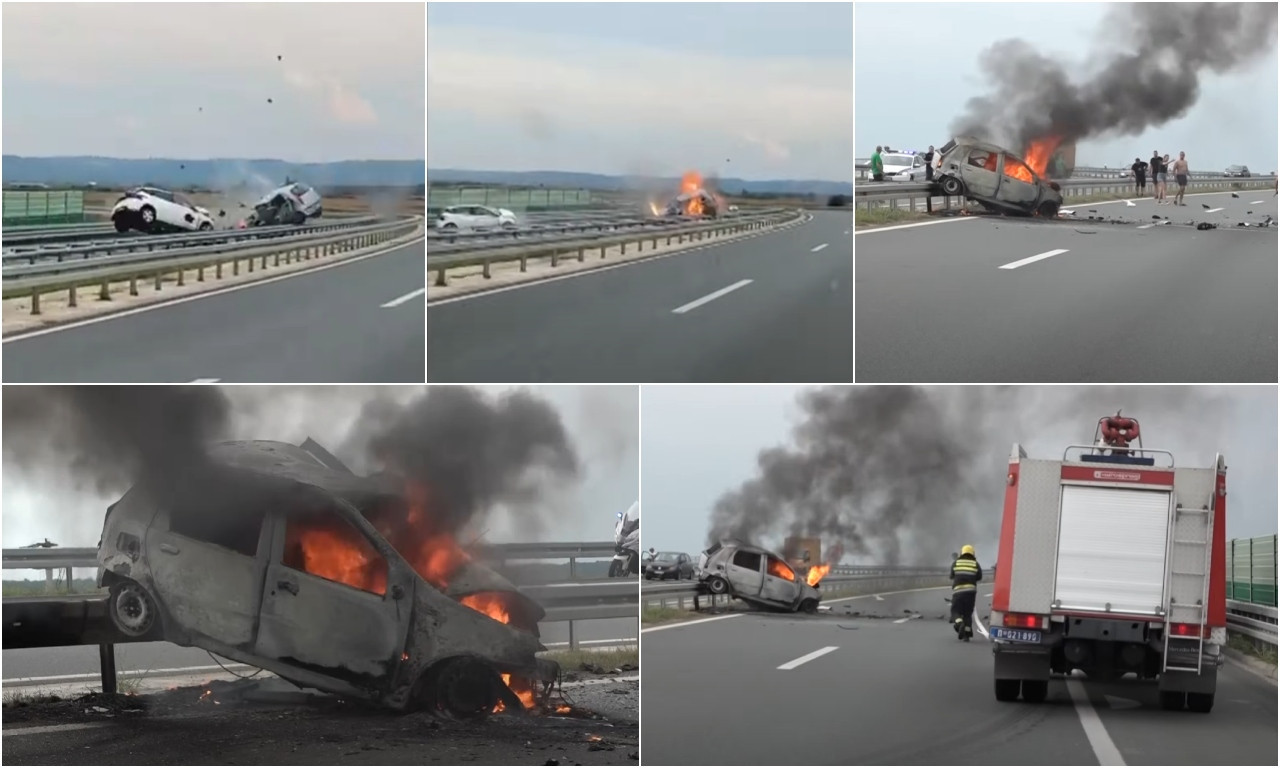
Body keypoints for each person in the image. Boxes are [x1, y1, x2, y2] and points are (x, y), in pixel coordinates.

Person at [949, 545, 983, 641]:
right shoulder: (975, 564)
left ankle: (960, 624)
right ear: (973, 553)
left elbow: (951, 576)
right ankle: (967, 634)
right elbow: (979, 577)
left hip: (958, 592)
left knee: (955, 611)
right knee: (968, 613)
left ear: (962, 553)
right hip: (970, 593)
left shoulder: (956, 563)